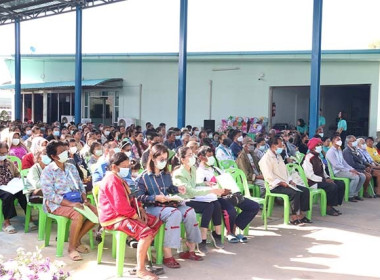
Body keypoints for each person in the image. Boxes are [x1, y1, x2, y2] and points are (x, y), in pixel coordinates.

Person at [136, 144, 202, 269]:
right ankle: (167, 254)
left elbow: (170, 188)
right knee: (174, 214)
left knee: (190, 211)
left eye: (165, 159)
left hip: (168, 204)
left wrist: (178, 189)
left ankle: (191, 250)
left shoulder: (165, 174)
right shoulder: (143, 177)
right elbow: (139, 197)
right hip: (152, 207)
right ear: (153, 159)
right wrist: (155, 197)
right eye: (161, 159)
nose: (163, 162)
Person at [98, 152, 161, 280]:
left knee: (156, 222)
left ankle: (143, 253)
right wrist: (136, 217)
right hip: (114, 218)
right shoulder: (111, 180)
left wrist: (141, 210)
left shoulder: (119, 179)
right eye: (124, 166)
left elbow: (132, 198)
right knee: (146, 233)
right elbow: (120, 206)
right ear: (115, 167)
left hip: (125, 214)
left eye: (128, 166)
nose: (127, 169)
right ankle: (141, 269)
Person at [40, 140, 98, 261]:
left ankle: (76, 240)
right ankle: (72, 248)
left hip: (76, 199)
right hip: (55, 204)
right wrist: (71, 204)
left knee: (97, 214)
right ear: (53, 156)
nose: (65, 153)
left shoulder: (71, 167)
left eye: (65, 150)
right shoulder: (48, 171)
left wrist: (84, 199)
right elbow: (50, 195)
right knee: (77, 214)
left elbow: (80, 185)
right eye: (61, 152)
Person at [196, 146, 260, 242]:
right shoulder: (200, 172)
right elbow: (200, 188)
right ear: (201, 157)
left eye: (212, 156)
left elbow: (225, 179)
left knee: (253, 206)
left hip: (229, 194)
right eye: (208, 156)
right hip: (216, 197)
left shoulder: (215, 168)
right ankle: (229, 232)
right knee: (230, 211)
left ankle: (235, 226)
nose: (211, 158)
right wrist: (217, 190)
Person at [172, 146, 225, 254]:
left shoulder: (192, 169)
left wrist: (204, 183)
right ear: (182, 159)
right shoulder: (179, 173)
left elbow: (193, 184)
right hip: (184, 201)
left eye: (193, 154)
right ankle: (202, 239)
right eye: (189, 155)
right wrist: (211, 191)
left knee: (216, 203)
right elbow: (190, 191)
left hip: (194, 198)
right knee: (209, 205)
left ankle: (217, 234)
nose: (192, 157)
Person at [259, 136, 311, 226]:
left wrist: (290, 181)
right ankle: (294, 217)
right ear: (273, 145)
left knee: (305, 190)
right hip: (274, 185)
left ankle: (301, 215)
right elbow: (268, 176)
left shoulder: (278, 156)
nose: (282, 147)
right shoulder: (265, 159)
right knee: (295, 193)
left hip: (285, 183)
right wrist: (281, 183)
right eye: (280, 145)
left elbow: (285, 171)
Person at [302, 138, 344, 216]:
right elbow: (309, 175)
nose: (320, 147)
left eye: (321, 145)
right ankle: (328, 207)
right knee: (332, 186)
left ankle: (333, 205)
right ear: (313, 147)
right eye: (318, 145)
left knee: (340, 184)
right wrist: (323, 180)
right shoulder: (308, 158)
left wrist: (327, 178)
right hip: (312, 182)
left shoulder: (318, 157)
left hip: (321, 179)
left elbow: (323, 171)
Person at [326, 135, 365, 202]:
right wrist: (349, 170)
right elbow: (337, 166)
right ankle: (350, 195)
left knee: (362, 176)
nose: (339, 141)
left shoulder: (339, 150)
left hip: (343, 170)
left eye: (340, 139)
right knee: (355, 176)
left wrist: (352, 169)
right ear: (333, 141)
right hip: (337, 172)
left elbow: (344, 163)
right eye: (337, 140)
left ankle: (355, 194)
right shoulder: (330, 152)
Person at [0, 142, 28, 233]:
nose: (3, 155)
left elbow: (17, 173)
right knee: (8, 196)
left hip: (11, 185)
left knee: (23, 192)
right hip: (1, 188)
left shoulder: (9, 162)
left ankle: (29, 219)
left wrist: (19, 177)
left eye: (5, 153)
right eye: (1, 153)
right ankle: (7, 223)